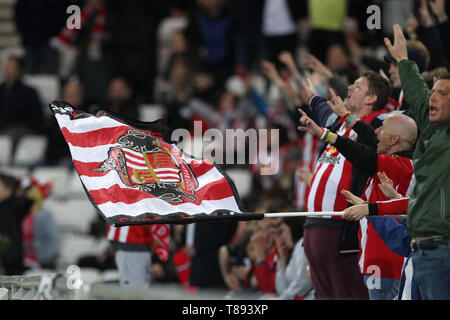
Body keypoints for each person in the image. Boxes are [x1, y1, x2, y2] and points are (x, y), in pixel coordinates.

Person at [298, 100, 417, 300]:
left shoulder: (399, 165)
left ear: (395, 139)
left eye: (383, 129)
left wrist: (325, 135)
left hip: (385, 263)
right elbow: (368, 139)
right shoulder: (393, 163)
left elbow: (361, 154)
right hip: (378, 260)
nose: (377, 132)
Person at [384, 23, 450, 300]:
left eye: (443, 94)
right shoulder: (433, 127)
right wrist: (402, 61)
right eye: (433, 91)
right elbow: (419, 95)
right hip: (420, 250)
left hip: (442, 252)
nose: (433, 96)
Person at [0, 56, 44, 144]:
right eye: (6, 65)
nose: (7, 68)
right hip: (3, 126)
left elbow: (36, 116)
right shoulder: (1, 89)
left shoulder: (29, 92)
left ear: (19, 70)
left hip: (20, 127)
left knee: (10, 135)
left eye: (11, 66)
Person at [0, 174, 34, 275]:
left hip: (12, 264)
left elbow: (28, 198)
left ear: (8, 189)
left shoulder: (14, 206)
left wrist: (21, 187)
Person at [274, 216, 314, 300]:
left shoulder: (301, 245)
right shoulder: (296, 249)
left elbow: (304, 282)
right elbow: (282, 290)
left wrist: (282, 298)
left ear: (293, 228)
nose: (282, 237)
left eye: (283, 231)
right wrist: (282, 261)